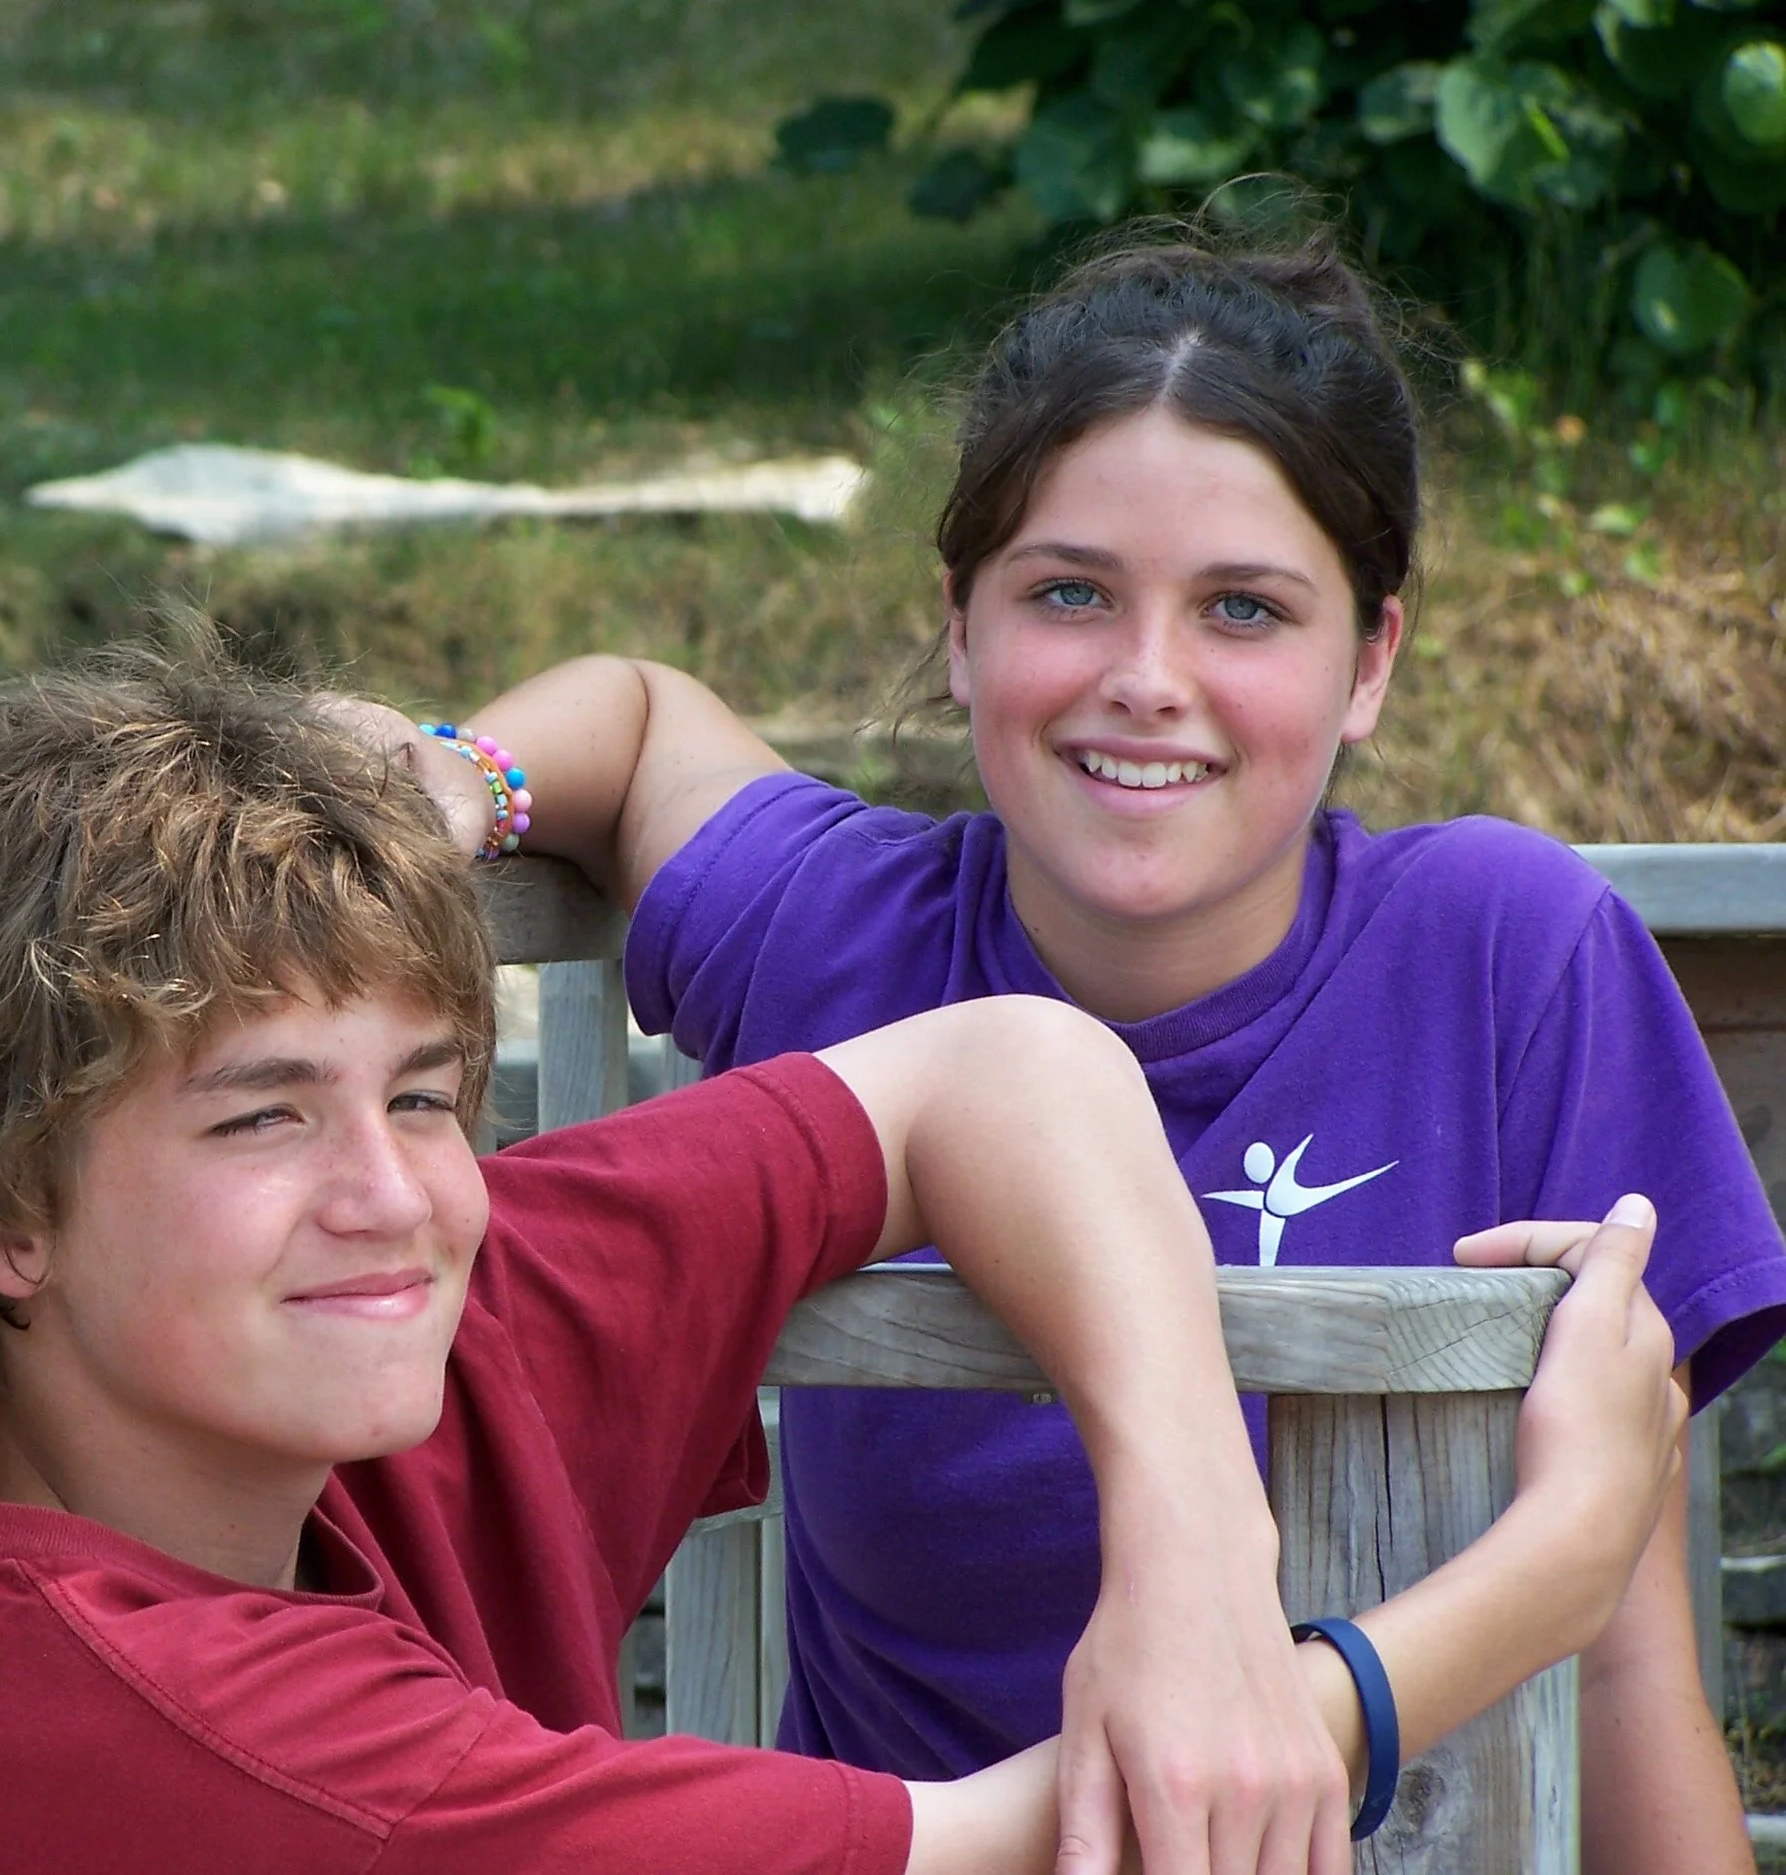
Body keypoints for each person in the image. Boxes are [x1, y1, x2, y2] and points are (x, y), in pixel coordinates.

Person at [0, 647, 1683, 1875]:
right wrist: (1559, 1560)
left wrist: (1191, 1562)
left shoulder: (379, 1338)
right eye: (258, 1115)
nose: (392, 1194)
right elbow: (1029, 1845)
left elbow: (1006, 1065)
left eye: (433, 1095)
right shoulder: (176, 1743)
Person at [384, 231, 1786, 1871]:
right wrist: (441, 780)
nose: (1145, 680)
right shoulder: (850, 932)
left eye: (1244, 610)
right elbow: (632, 718)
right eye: (1069, 592)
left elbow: (1618, 1651)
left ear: (1372, 665)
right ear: (962, 629)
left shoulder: (1509, 954)